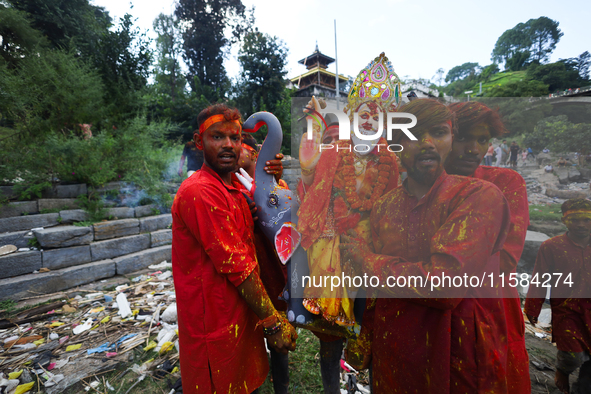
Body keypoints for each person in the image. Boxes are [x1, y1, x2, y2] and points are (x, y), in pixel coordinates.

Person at [342, 98, 512, 393]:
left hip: (456, 352)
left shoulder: (479, 196)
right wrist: (363, 334)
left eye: (438, 132)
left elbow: (446, 286)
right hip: (393, 350)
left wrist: (365, 260)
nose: (427, 143)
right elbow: (375, 292)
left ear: (450, 139)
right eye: (411, 134)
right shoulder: (383, 207)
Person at [171, 104, 297, 394]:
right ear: (199, 141)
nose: (228, 144)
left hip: (241, 318)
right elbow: (238, 265)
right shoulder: (200, 191)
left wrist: (271, 179)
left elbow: (278, 218)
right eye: (217, 137)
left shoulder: (236, 190)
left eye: (235, 138)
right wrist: (272, 321)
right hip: (214, 326)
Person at [297, 52, 401, 393]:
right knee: (332, 338)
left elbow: (396, 207)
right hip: (334, 252)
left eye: (377, 115)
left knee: (372, 333)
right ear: (352, 116)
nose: (370, 119)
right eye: (364, 113)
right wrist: (312, 123)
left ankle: (368, 380)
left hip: (373, 256)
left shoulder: (391, 164)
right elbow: (308, 173)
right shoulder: (333, 153)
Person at [445, 101, 531, 393]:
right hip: (439, 316)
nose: (473, 149)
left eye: (482, 140)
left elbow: (505, 258)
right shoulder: (422, 186)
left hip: (492, 311)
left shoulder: (506, 183)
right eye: (463, 138)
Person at [239, 133, 290, 394]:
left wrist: (275, 181)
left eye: (242, 146)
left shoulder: (272, 179)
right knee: (250, 336)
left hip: (270, 266)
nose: (236, 151)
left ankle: (282, 386)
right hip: (245, 268)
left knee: (278, 336)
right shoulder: (228, 182)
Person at [525, 198, 591, 394]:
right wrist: (532, 307)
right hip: (567, 311)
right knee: (572, 355)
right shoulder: (552, 246)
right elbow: (540, 278)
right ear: (564, 220)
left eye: (586, 219)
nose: (581, 224)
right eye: (575, 219)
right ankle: (562, 370)